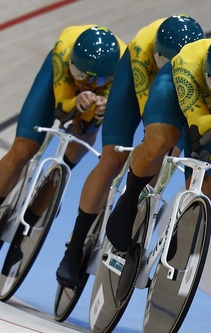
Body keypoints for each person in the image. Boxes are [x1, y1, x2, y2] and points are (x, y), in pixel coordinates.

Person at [56, 15, 205, 288]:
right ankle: (74, 248)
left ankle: (134, 221)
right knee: (113, 159)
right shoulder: (142, 48)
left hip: (181, 88)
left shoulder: (197, 61)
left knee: (166, 152)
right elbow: (151, 112)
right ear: (157, 53)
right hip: (137, 81)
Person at [105, 32, 211, 255]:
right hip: (176, 94)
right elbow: (195, 126)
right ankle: (129, 200)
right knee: (160, 140)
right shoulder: (189, 60)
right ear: (205, 71)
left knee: (206, 182)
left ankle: (177, 250)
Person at [0, 25, 124, 262]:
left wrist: (101, 108)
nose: (86, 83)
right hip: (58, 84)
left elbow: (107, 115)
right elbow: (61, 109)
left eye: (94, 80)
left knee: (72, 156)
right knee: (23, 150)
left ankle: (27, 230)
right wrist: (76, 99)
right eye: (81, 77)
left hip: (104, 89)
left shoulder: (120, 70)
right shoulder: (64, 49)